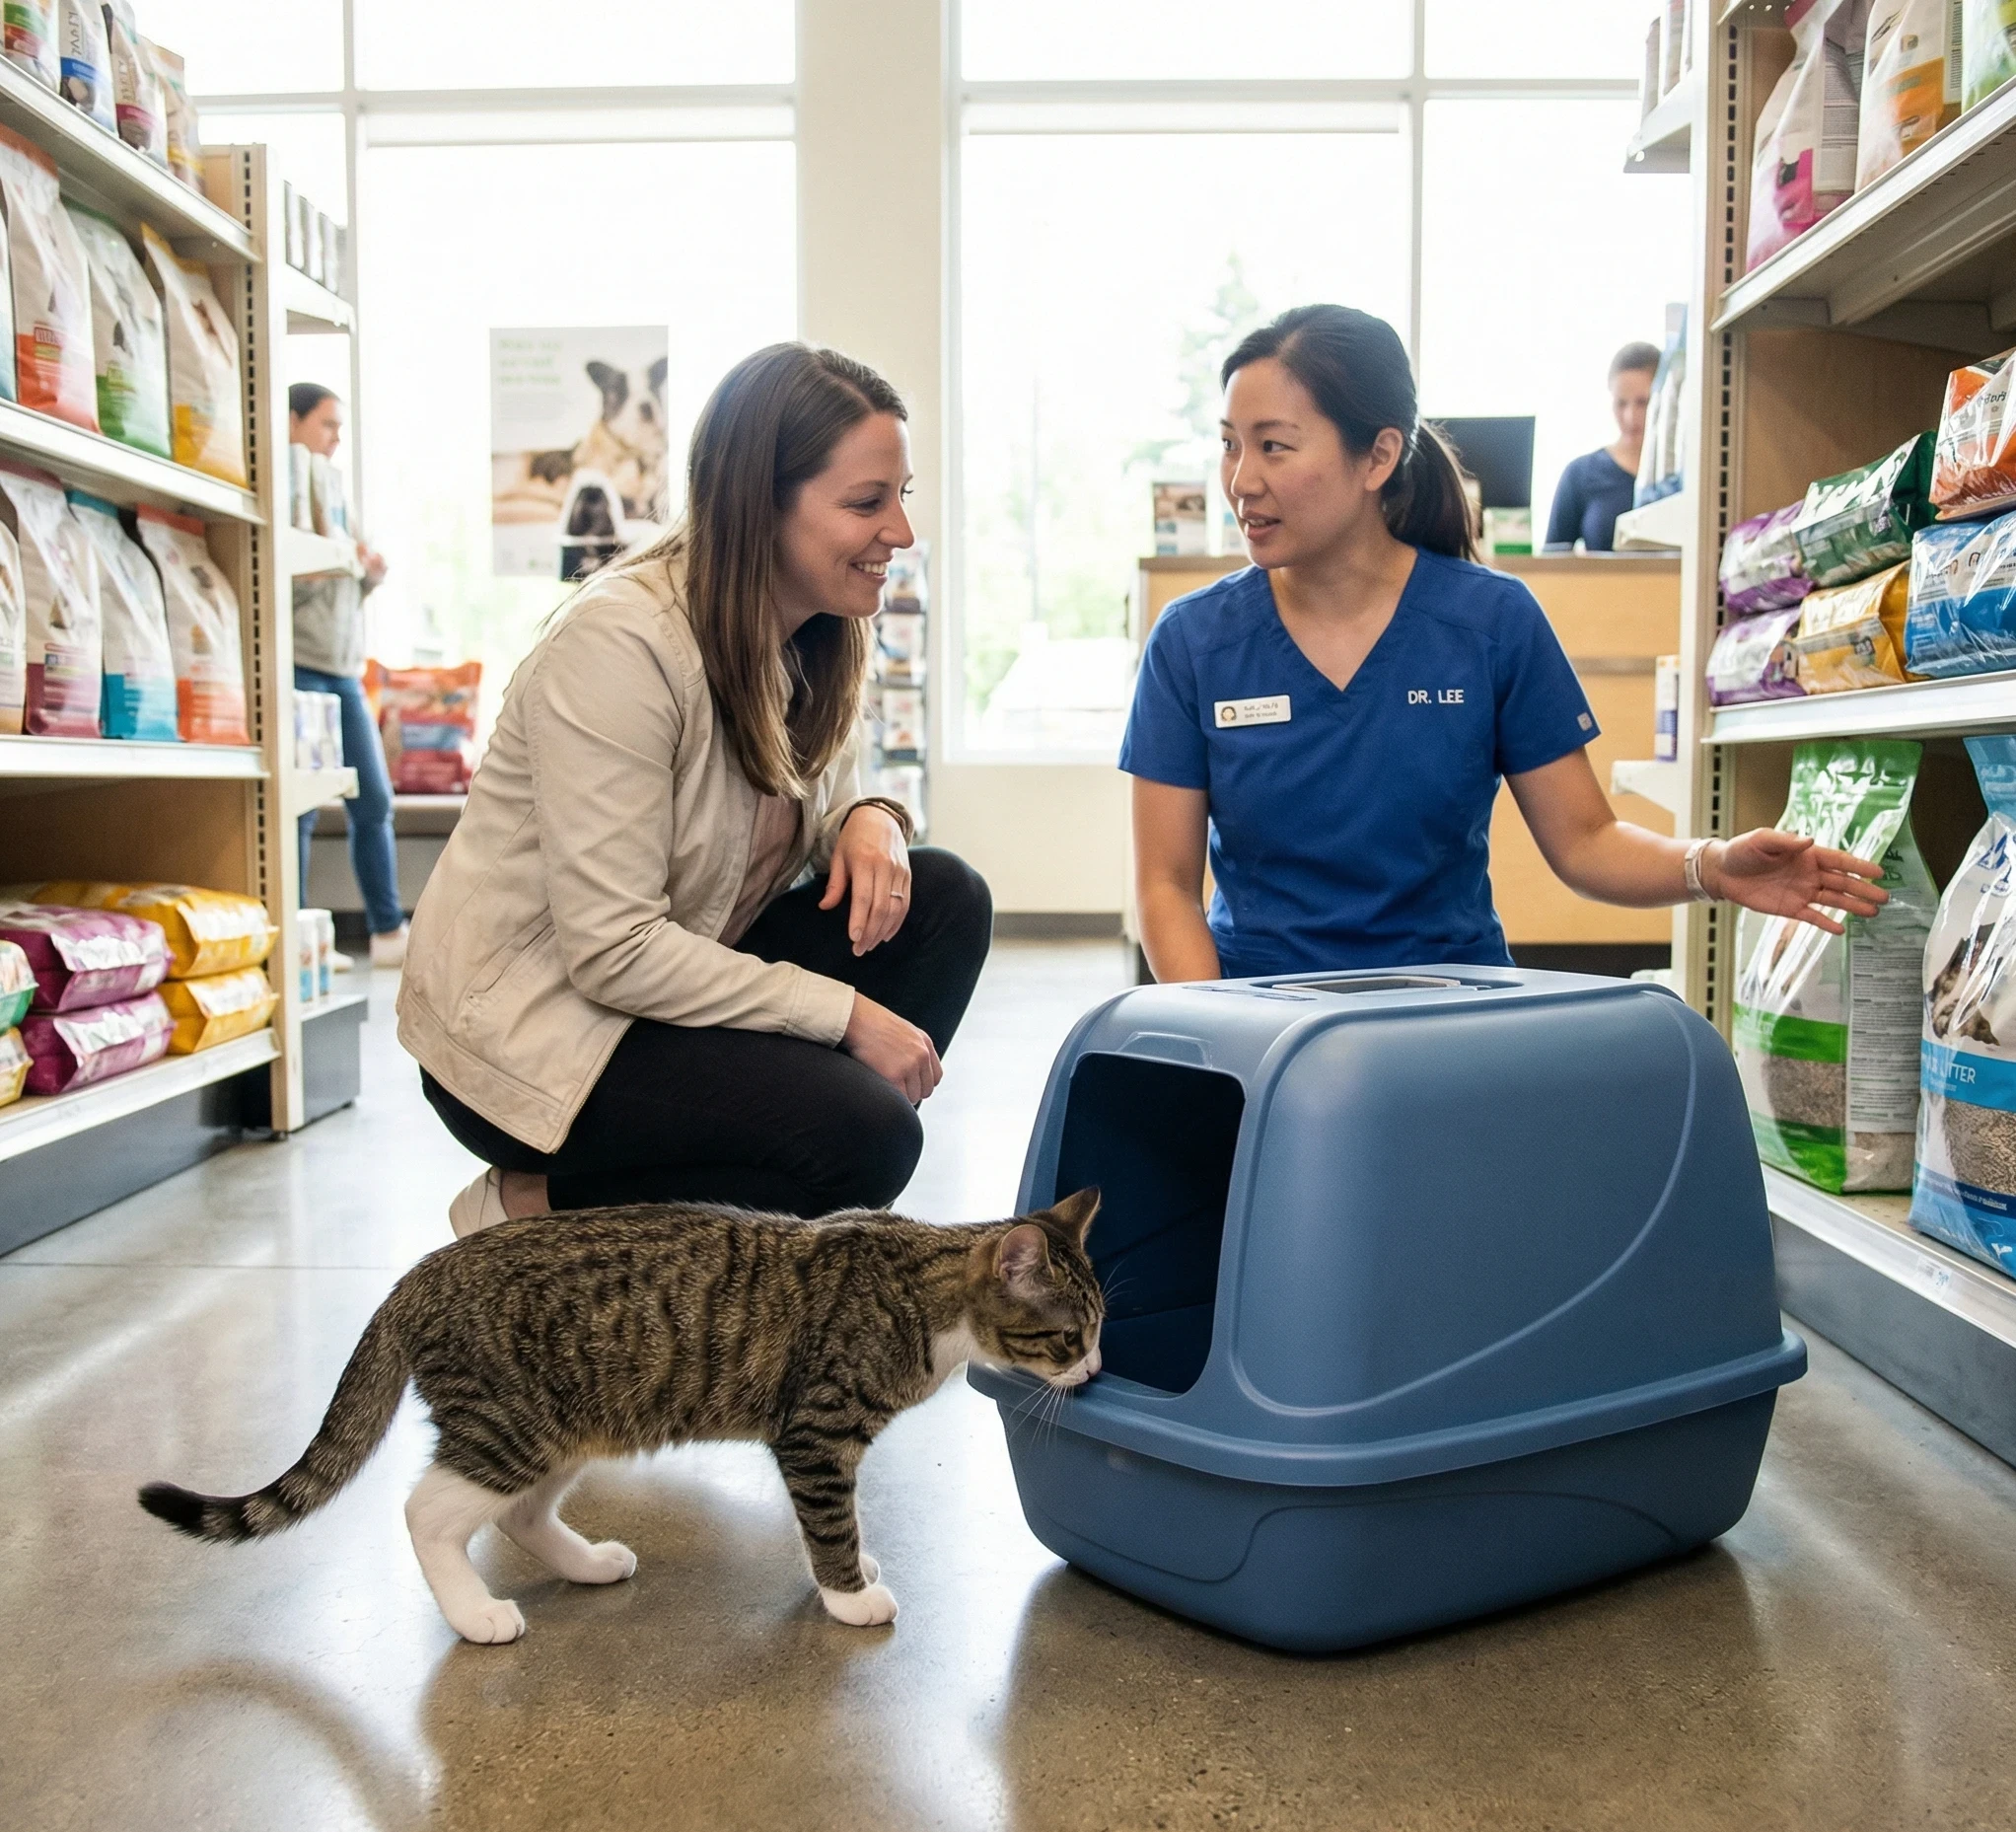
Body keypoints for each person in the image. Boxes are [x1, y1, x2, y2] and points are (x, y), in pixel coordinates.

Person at [397, 342, 992, 1236]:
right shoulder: (621, 649)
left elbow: (813, 804)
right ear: (761, 506)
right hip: (534, 1036)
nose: (900, 534)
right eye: (866, 503)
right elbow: (613, 949)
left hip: (663, 994)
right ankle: (531, 1207)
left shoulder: (814, 631)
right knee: (862, 1137)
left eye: (900, 497)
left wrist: (872, 817)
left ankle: (751, 1250)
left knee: (943, 898)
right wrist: (845, 1017)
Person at [1123, 304, 1886, 985]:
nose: (1241, 481)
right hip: (1262, 1021)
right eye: (1230, 446)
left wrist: (1712, 867)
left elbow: (1585, 842)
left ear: (1378, 457)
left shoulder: (1490, 623)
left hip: (1449, 1022)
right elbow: (1164, 885)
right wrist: (1224, 1042)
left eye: (1274, 447)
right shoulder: (1194, 643)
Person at [290, 383, 405, 969]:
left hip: (342, 670)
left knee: (374, 800)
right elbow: (274, 586)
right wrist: (325, 570)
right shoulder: (282, 490)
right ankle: (299, 938)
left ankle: (388, 931)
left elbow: (343, 579)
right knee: (299, 807)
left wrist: (366, 574)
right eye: (327, 424)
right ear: (291, 422)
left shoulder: (332, 491)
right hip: (296, 668)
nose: (335, 437)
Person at [1544, 339, 1661, 552]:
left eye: (1643, 402)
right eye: (1621, 403)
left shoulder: (1686, 476)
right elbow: (1553, 568)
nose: (1630, 416)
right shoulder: (1580, 474)